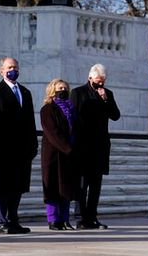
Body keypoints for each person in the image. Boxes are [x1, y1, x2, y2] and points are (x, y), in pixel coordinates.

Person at [0, 57, 38, 234]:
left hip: (22, 149)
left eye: (15, 67)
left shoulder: (25, 92)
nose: (12, 70)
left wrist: (33, 145)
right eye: (9, 67)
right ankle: (0, 221)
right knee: (2, 188)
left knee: (18, 187)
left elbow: (30, 121)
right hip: (3, 148)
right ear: (2, 71)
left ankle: (13, 220)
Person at [71, 63, 121, 229]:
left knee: (95, 185)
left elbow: (115, 115)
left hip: (100, 146)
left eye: (103, 81)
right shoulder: (78, 93)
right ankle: (80, 217)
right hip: (83, 146)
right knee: (82, 185)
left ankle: (92, 216)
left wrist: (105, 99)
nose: (100, 84)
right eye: (97, 81)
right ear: (90, 78)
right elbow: (73, 117)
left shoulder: (107, 94)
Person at [40, 78, 78, 231]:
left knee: (66, 187)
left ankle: (65, 219)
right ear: (52, 90)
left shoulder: (71, 109)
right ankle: (54, 219)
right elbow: (52, 132)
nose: (62, 90)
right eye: (59, 88)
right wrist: (67, 147)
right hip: (53, 154)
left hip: (68, 154)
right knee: (52, 187)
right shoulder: (47, 109)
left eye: (65, 88)